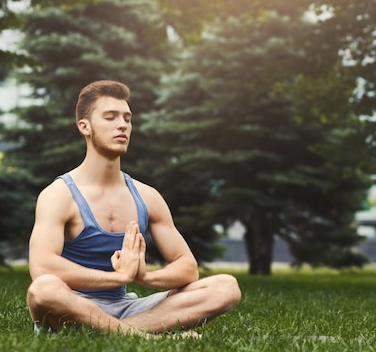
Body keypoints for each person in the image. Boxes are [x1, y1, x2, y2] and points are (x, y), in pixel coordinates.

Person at [26, 80, 241, 337]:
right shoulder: (58, 195)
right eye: (110, 117)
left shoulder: (147, 196)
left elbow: (188, 267)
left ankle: (114, 332)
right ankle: (144, 336)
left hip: (128, 307)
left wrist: (144, 277)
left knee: (226, 287)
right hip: (69, 306)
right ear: (85, 126)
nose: (122, 125)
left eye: (127, 118)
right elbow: (42, 267)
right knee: (44, 290)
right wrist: (118, 278)